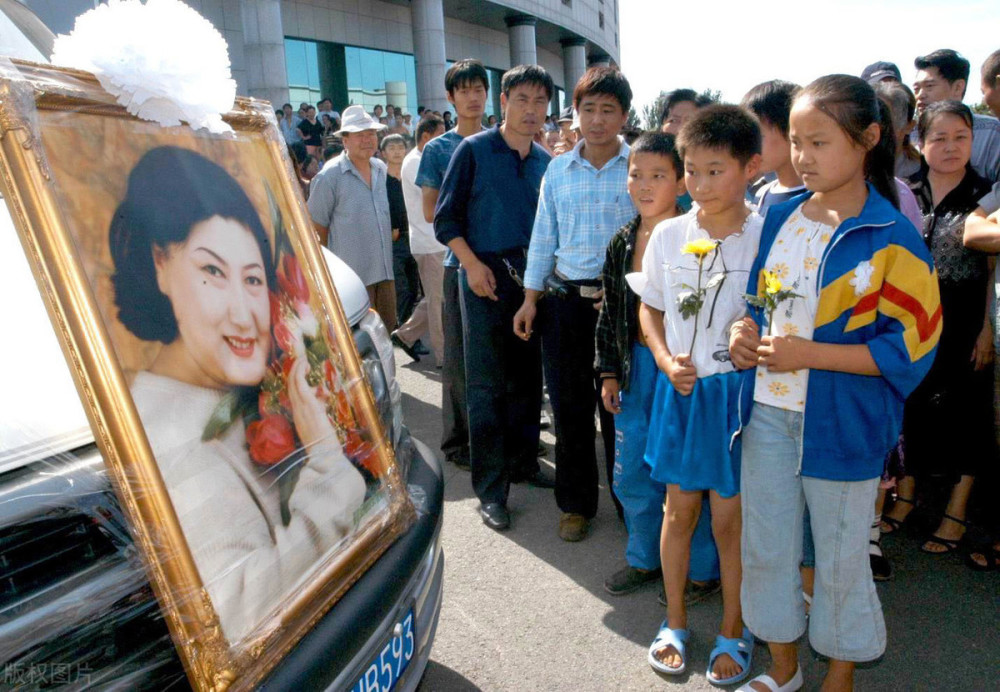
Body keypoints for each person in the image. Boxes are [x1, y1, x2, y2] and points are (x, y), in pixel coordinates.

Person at [730, 74, 941, 692]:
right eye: (795, 141)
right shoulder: (780, 216)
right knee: (767, 549)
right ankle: (784, 670)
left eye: (818, 141)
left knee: (841, 558)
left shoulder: (891, 237)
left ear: (869, 138)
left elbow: (912, 347)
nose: (802, 156)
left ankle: (840, 677)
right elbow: (760, 304)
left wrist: (808, 353)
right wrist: (748, 335)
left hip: (844, 423)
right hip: (767, 412)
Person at [109, 146, 366, 644]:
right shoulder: (166, 433)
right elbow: (245, 612)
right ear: (160, 263)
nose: (245, 312)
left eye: (252, 279)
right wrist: (328, 469)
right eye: (211, 272)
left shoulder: (240, 388)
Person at [641, 106, 763, 686]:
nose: (701, 184)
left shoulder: (767, 236)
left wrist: (752, 333)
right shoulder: (668, 234)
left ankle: (734, 629)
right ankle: (674, 621)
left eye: (716, 170)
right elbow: (650, 307)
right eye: (691, 170)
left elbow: (780, 312)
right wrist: (665, 361)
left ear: (750, 167)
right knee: (678, 511)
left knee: (730, 522)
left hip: (737, 400)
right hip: (682, 394)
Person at [515, 67, 635, 541]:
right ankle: (577, 504)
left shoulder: (637, 168)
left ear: (624, 116)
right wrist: (530, 299)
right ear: (576, 114)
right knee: (568, 408)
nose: (598, 119)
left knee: (620, 410)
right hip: (564, 302)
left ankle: (631, 504)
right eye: (589, 109)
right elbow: (543, 238)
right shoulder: (557, 171)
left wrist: (627, 287)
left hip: (620, 308)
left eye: (608, 110)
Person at [435, 64, 555, 531]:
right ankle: (491, 490)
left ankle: (524, 463)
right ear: (502, 102)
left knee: (527, 378)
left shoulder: (546, 162)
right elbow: (446, 221)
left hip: (530, 280)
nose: (531, 110)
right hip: (482, 276)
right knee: (485, 385)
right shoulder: (473, 150)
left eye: (540, 102)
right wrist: (471, 264)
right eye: (521, 100)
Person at [879, 101, 994, 557]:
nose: (950, 147)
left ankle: (956, 514)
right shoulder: (906, 193)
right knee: (913, 409)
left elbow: (991, 271)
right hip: (912, 321)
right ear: (920, 143)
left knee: (968, 416)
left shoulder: (986, 196)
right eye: (939, 138)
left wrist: (986, 328)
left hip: (965, 319)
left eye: (960, 137)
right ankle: (906, 499)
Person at [596, 132, 682, 593]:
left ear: (681, 182)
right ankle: (644, 557)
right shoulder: (621, 242)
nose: (644, 185)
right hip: (634, 368)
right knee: (631, 470)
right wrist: (608, 371)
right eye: (636, 175)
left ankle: (700, 568)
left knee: (685, 475)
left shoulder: (698, 237)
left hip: (685, 373)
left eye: (658, 176)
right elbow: (611, 313)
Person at [416, 59, 490, 471]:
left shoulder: (500, 141)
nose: (472, 97)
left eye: (478, 88)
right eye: (463, 90)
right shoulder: (438, 149)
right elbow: (431, 211)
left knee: (504, 357)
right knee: (461, 361)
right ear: (450, 98)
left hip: (501, 259)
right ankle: (459, 442)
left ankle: (508, 437)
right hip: (457, 262)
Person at [308, 105, 396, 329]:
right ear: (344, 140)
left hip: (384, 274)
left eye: (371, 134)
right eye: (360, 135)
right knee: (358, 345)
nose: (368, 140)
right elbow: (317, 229)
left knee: (385, 338)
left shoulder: (380, 169)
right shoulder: (329, 176)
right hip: (352, 281)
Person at [393, 116, 448, 367]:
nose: (446, 140)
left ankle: (406, 335)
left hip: (437, 242)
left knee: (437, 297)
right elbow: (440, 195)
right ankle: (444, 359)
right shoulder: (416, 162)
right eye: (441, 134)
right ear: (426, 136)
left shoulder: (423, 158)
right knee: (439, 302)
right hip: (430, 242)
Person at [913, 49, 1000, 183]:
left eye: (929, 86)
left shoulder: (992, 132)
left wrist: (983, 204)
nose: (920, 95)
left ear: (958, 87)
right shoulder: (909, 135)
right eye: (916, 89)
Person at [741, 80, 806, 215]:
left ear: (791, 130)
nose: (749, 146)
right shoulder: (761, 195)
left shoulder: (821, 196)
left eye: (758, 136)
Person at [380, 134, 421, 326]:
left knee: (415, 289)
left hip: (414, 236)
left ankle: (407, 335)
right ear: (383, 153)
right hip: (393, 241)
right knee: (402, 288)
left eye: (400, 147)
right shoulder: (380, 179)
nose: (397, 151)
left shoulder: (410, 174)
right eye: (392, 148)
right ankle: (403, 331)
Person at [875, 81, 921, 178]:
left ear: (909, 126)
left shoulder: (924, 174)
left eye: (886, 120)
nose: (877, 129)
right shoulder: (850, 171)